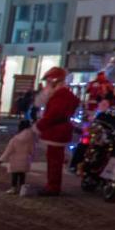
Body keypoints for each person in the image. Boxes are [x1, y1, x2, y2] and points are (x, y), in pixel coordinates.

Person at [33, 67, 78, 196]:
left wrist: (38, 126)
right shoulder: (61, 95)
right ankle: (52, 185)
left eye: (48, 82)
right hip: (58, 130)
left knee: (54, 161)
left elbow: (53, 115)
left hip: (57, 131)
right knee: (54, 160)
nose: (46, 85)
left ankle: (53, 187)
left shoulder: (61, 96)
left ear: (55, 81)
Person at [0, 119, 37, 193]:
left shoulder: (15, 139)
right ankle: (22, 189)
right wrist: (32, 157)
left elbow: (8, 151)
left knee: (15, 175)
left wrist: (1, 159)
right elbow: (32, 149)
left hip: (15, 161)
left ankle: (13, 188)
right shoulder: (31, 137)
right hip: (25, 160)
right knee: (22, 175)